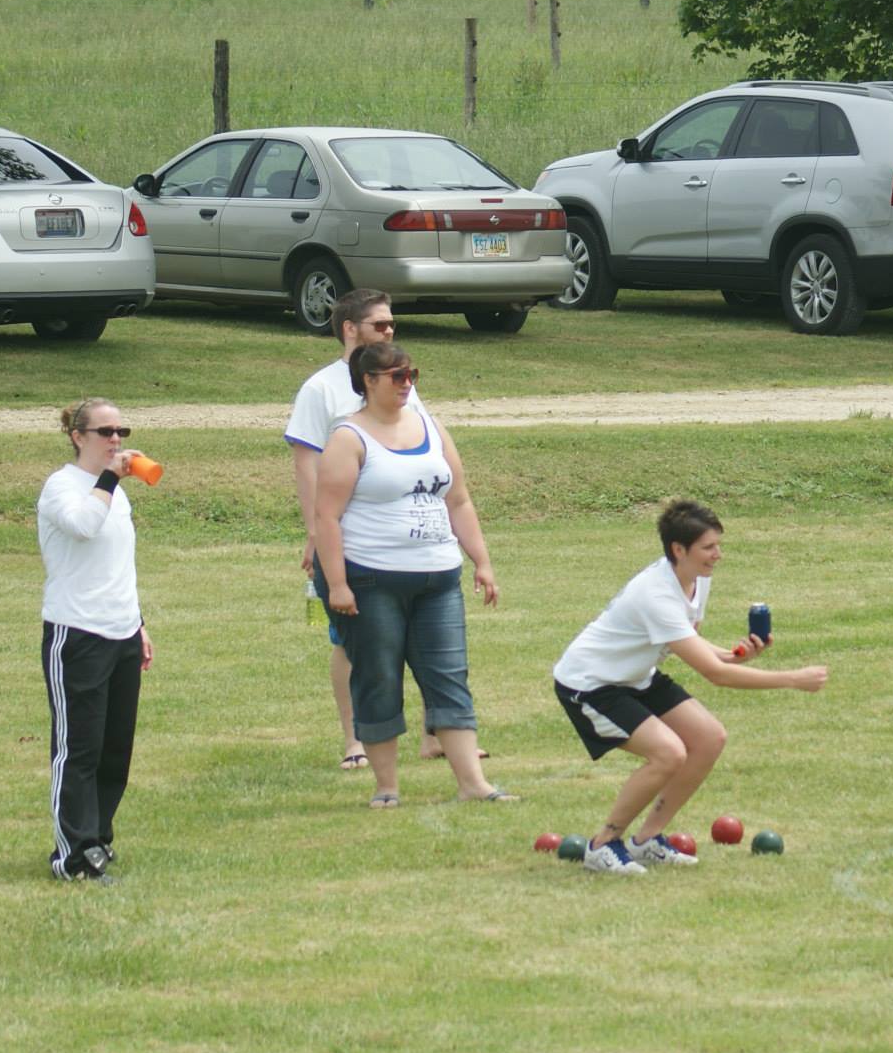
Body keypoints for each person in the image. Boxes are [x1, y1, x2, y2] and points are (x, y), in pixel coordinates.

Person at [553, 500, 827, 875]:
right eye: (708, 547)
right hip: (590, 684)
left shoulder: (697, 577)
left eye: (718, 545)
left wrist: (734, 655)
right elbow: (716, 675)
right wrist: (793, 679)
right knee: (668, 753)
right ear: (678, 549)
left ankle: (646, 841)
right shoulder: (656, 594)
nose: (718, 554)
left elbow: (692, 645)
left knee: (710, 738)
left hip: (636, 676)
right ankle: (601, 846)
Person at [285, 288, 480, 769]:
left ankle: (437, 735)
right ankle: (354, 739)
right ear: (350, 329)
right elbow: (307, 465)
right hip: (354, 543)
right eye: (380, 324)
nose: (389, 331)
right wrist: (314, 534)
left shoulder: (400, 380)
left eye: (392, 323)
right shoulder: (321, 389)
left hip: (417, 546)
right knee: (351, 643)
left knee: (428, 643)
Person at [313, 340, 513, 807]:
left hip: (438, 578)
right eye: (397, 377)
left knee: (449, 675)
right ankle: (387, 787)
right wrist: (338, 584)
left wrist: (482, 562)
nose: (408, 385)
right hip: (370, 578)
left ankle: (474, 784)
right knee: (379, 675)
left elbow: (458, 500)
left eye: (412, 375)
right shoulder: (349, 438)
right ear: (368, 381)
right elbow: (327, 517)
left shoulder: (431, 426)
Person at [36, 397, 154, 883]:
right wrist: (110, 478)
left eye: (121, 431)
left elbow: (117, 565)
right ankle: (73, 856)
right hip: (77, 633)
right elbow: (84, 526)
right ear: (77, 437)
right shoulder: (61, 487)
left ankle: (98, 839)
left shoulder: (115, 492)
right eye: (105, 432)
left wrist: (138, 623)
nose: (116, 440)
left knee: (114, 749)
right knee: (79, 748)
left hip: (120, 632)